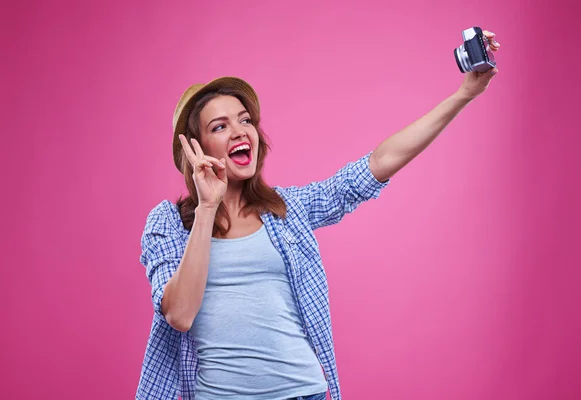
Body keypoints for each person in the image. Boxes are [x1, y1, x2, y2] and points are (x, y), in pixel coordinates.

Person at [136, 31, 501, 400]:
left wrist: (464, 94)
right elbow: (179, 314)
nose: (240, 131)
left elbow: (377, 163)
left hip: (302, 393)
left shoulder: (287, 210)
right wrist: (207, 207)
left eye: (245, 120)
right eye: (220, 126)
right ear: (195, 149)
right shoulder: (168, 224)